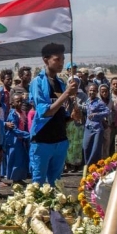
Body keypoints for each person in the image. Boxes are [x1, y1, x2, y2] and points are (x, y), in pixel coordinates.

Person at [29, 44, 78, 185]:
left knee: (56, 183)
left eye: (63, 59)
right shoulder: (38, 83)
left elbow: (60, 113)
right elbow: (44, 112)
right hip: (42, 141)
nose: (61, 63)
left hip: (60, 140)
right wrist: (66, 93)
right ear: (46, 60)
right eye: (57, 59)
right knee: (38, 184)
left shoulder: (60, 83)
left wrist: (72, 116)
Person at [2, 94, 29, 184]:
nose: (20, 103)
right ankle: (15, 179)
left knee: (21, 159)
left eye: (21, 101)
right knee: (15, 159)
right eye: (17, 101)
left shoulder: (22, 113)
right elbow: (14, 129)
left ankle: (19, 178)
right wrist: (27, 135)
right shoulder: (13, 114)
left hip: (21, 139)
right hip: (14, 140)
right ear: (12, 103)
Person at [81, 82, 109, 168]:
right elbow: (84, 108)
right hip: (88, 128)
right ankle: (87, 165)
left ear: (97, 92)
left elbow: (107, 111)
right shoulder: (88, 101)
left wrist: (96, 114)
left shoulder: (99, 102)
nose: (92, 92)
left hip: (97, 129)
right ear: (87, 91)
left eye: (94, 90)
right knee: (85, 147)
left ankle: (94, 168)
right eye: (90, 90)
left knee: (95, 149)